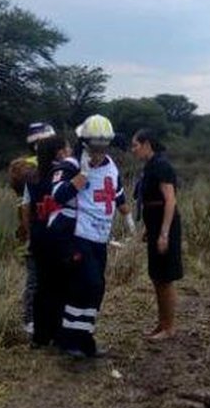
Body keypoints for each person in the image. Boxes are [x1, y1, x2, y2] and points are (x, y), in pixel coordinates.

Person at [46, 115, 130, 358]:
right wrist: (79, 179)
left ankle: (84, 339)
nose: (99, 151)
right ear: (85, 143)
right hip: (75, 235)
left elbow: (118, 195)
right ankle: (69, 340)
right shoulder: (70, 166)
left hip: (99, 236)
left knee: (96, 288)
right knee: (84, 284)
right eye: (95, 146)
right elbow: (56, 197)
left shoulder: (110, 166)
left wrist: (130, 222)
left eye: (103, 146)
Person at [131, 128, 182, 341]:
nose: (133, 150)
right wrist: (148, 229)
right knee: (156, 277)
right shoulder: (150, 166)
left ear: (147, 144)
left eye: (135, 145)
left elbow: (170, 200)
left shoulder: (162, 165)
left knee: (165, 277)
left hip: (165, 226)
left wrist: (164, 233)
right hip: (154, 225)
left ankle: (169, 327)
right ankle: (161, 324)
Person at [21, 134, 72, 349]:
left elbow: (25, 206)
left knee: (42, 286)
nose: (70, 151)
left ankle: (40, 336)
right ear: (59, 151)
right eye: (67, 148)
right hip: (58, 236)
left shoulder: (33, 176)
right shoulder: (62, 173)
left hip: (39, 235)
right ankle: (59, 333)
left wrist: (29, 232)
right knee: (61, 286)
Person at [8, 122, 56, 337]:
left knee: (46, 278)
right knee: (35, 279)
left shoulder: (45, 164)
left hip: (46, 228)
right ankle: (30, 319)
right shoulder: (27, 168)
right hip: (36, 229)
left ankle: (44, 318)